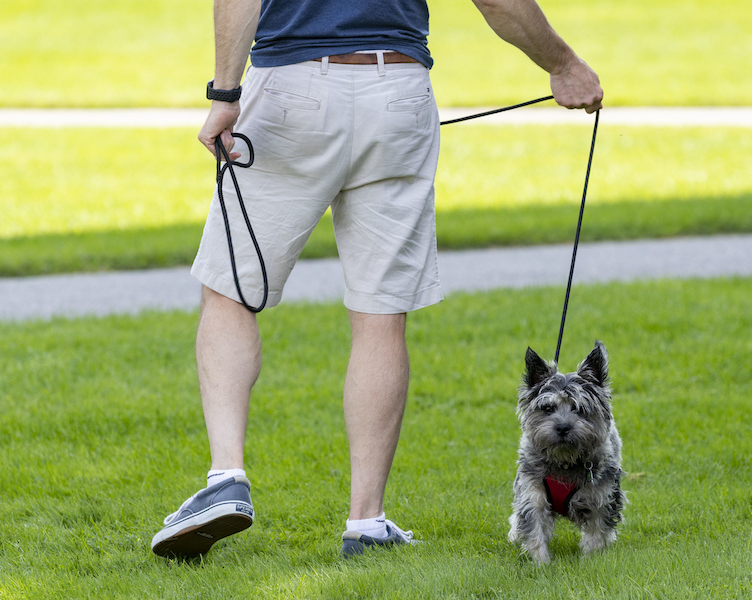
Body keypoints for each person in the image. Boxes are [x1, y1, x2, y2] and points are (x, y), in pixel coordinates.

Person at [151, 0, 603, 559]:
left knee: (230, 291)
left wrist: (224, 94)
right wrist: (562, 64)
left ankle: (226, 478)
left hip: (293, 89)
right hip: (399, 94)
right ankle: (366, 521)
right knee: (381, 314)